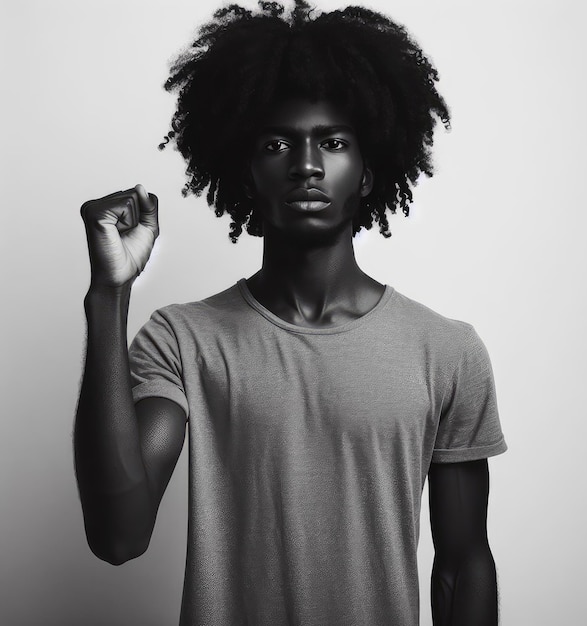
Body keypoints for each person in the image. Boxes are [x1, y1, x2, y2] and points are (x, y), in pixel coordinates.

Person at [74, 2, 507, 625]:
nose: (306, 164)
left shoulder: (445, 351)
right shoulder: (183, 340)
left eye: (332, 143)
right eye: (278, 144)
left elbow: (463, 564)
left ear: (368, 171)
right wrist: (108, 295)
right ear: (247, 172)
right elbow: (119, 536)